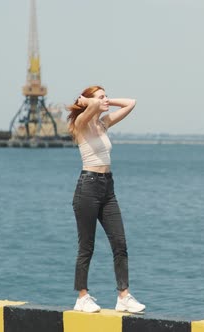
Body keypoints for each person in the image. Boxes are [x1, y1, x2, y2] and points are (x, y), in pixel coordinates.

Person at [66, 85, 145, 313]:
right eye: (101, 97)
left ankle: (123, 296)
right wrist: (87, 103)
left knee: (120, 243)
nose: (106, 100)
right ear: (88, 102)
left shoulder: (103, 124)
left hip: (107, 188)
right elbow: (89, 109)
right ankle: (82, 297)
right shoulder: (81, 124)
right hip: (87, 188)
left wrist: (102, 101)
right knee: (86, 247)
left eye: (106, 96)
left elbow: (132, 102)